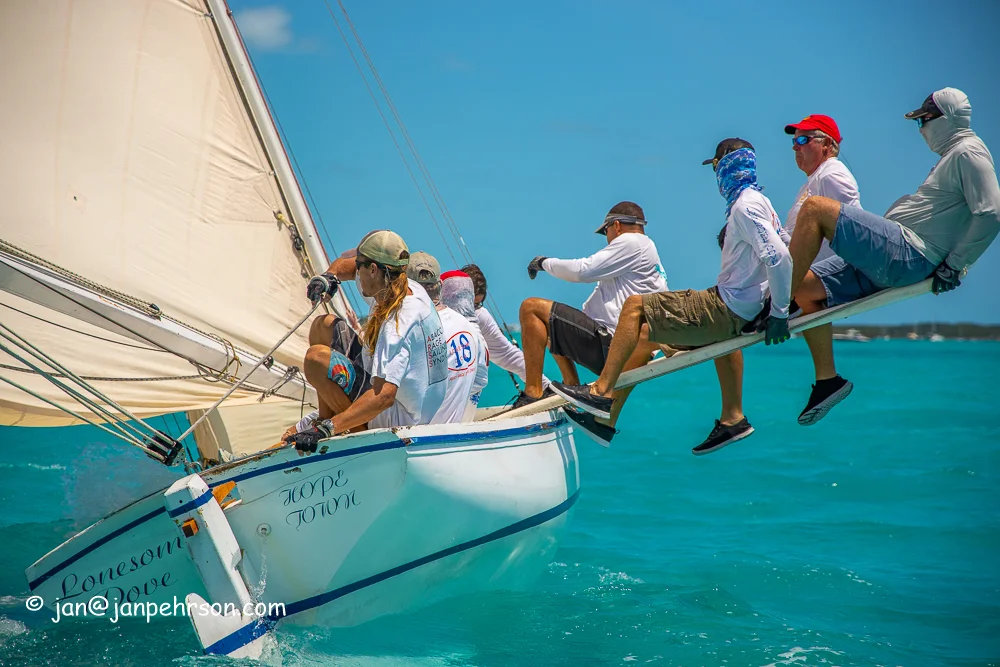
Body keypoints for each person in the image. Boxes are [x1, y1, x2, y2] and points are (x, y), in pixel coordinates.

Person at [551, 140, 793, 455]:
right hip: (739, 309)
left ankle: (600, 390)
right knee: (643, 337)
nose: (716, 174)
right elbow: (788, 248)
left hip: (728, 307)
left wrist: (781, 313)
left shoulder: (745, 206)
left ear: (726, 166)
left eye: (717, 166)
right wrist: (773, 303)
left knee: (635, 307)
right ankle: (732, 416)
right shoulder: (763, 202)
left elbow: (780, 258)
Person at [787, 87, 1000, 425]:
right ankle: (828, 381)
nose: (921, 130)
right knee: (804, 288)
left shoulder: (968, 152)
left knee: (816, 209)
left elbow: (990, 213)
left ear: (946, 119)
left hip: (906, 251)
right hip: (889, 259)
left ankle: (773, 307)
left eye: (925, 121)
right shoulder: (951, 157)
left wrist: (956, 265)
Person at [517, 201, 669, 445]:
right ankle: (575, 391)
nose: (607, 240)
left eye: (606, 232)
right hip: (623, 351)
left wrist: (543, 262)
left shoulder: (633, 242)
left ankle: (533, 392)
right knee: (546, 326)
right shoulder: (651, 260)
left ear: (616, 226)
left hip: (612, 347)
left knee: (531, 308)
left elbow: (582, 271)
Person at [284, 230, 448, 451]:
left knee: (316, 359)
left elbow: (384, 396)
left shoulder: (398, 324)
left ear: (372, 269)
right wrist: (328, 277)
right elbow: (348, 265)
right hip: (404, 397)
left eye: (361, 265)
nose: (356, 274)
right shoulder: (399, 283)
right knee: (322, 325)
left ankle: (342, 431)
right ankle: (326, 417)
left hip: (401, 418)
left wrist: (329, 428)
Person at [461, 263, 552, 392]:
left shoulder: (480, 316)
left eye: (477, 304)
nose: (472, 309)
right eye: (470, 303)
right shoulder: (432, 310)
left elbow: (508, 354)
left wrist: (545, 387)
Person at [783, 114, 861, 264]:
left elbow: (852, 232)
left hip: (825, 277)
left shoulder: (831, 176)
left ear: (826, 143)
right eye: (794, 141)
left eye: (803, 140)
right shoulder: (812, 182)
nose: (795, 146)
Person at [435, 270, 490, 422]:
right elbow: (481, 380)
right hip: (465, 415)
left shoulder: (446, 331)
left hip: (444, 418)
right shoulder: (477, 335)